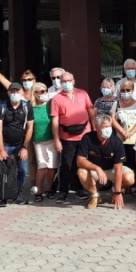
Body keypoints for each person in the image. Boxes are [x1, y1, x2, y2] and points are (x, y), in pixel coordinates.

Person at [50, 71, 93, 203]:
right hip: (67, 137)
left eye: (68, 81)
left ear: (74, 81)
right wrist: (57, 140)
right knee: (66, 165)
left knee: (81, 164)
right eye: (63, 81)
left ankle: (80, 189)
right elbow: (55, 121)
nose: (66, 83)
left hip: (85, 136)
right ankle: (63, 192)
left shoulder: (83, 94)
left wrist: (95, 131)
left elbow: (91, 112)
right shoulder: (57, 98)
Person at [76, 114, 135, 209]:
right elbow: (80, 161)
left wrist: (118, 192)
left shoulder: (117, 142)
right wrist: (97, 168)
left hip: (112, 170)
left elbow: (118, 169)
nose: (108, 129)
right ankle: (95, 196)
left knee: (130, 178)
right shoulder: (87, 138)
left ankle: (112, 190)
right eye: (105, 127)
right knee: (81, 172)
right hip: (95, 170)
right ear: (96, 127)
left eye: (109, 126)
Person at [0, 83, 33, 205]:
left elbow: (30, 128)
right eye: (12, 92)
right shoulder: (2, 106)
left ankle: (17, 195)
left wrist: (25, 147)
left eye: (17, 91)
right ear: (8, 93)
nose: (15, 94)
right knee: (3, 171)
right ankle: (3, 197)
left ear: (22, 92)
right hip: (5, 144)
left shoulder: (27, 107)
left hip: (20, 145)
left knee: (23, 171)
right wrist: (1, 149)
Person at [30, 82, 57, 202]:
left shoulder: (51, 104)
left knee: (51, 166)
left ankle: (49, 189)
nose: (45, 93)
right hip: (38, 141)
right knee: (41, 166)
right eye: (42, 91)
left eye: (46, 90)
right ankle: (39, 191)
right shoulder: (31, 108)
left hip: (52, 139)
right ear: (35, 94)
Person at [112, 78, 136, 173]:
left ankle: (133, 185)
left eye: (128, 90)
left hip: (134, 139)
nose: (125, 92)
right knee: (121, 164)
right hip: (120, 139)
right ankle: (122, 184)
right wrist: (122, 132)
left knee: (133, 163)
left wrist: (130, 133)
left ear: (132, 90)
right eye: (123, 90)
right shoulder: (116, 103)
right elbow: (112, 119)